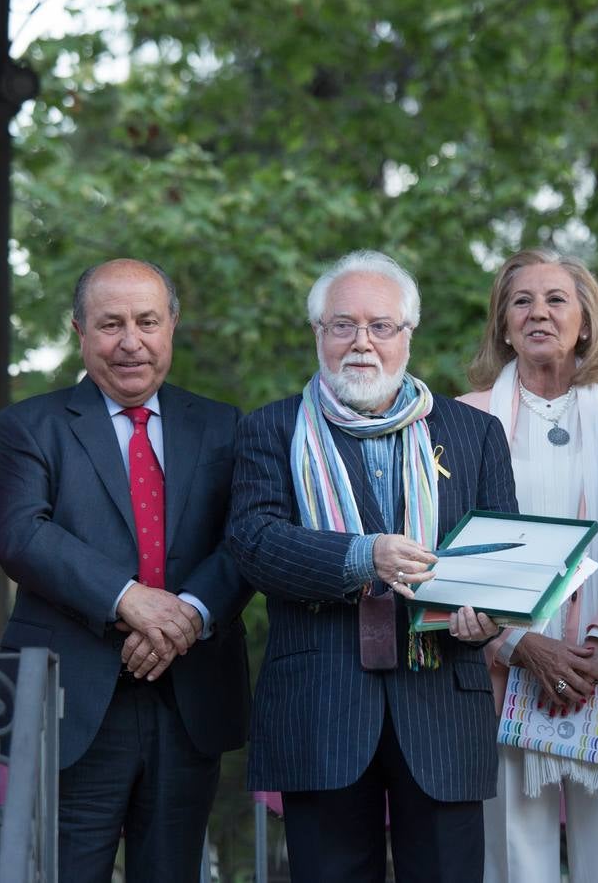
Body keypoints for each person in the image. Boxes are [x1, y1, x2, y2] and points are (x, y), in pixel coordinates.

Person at [227, 250, 518, 883]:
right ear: (318, 334)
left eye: (381, 327)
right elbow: (253, 544)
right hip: (320, 707)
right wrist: (366, 556)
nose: (362, 343)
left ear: (407, 335)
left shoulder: (474, 433)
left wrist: (487, 619)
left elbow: (500, 561)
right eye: (343, 325)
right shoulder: (270, 430)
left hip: (443, 702)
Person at [0, 258, 251, 883]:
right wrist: (129, 599)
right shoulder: (32, 425)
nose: (130, 341)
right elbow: (21, 533)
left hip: (190, 699)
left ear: (172, 327)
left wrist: (187, 615)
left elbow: (247, 538)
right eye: (110, 324)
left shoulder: (222, 425)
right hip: (75, 699)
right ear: (80, 331)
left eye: (147, 321)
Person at [459, 249, 598, 882]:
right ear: (502, 325)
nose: (538, 313)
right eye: (521, 301)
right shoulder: (463, 418)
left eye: (557, 300)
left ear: (586, 321)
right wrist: (521, 644)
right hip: (504, 670)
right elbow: (454, 558)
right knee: (510, 864)